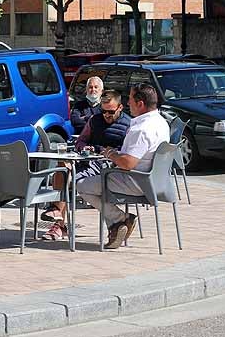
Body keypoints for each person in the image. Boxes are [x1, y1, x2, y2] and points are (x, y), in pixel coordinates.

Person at [75, 82, 170, 248]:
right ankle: (116, 225)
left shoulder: (142, 128)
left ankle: (120, 220)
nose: (128, 104)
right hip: (156, 181)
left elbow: (127, 163)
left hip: (135, 181)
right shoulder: (161, 122)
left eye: (131, 100)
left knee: (82, 185)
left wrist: (110, 154)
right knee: (98, 182)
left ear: (140, 104)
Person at [41, 89, 132, 240]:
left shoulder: (128, 125)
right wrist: (83, 147)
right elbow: (81, 140)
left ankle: (59, 220)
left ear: (120, 107)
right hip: (89, 161)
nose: (106, 116)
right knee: (63, 166)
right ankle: (58, 216)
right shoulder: (95, 120)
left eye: (110, 112)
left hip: (110, 166)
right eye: (103, 111)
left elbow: (127, 152)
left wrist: (106, 151)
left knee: (73, 179)